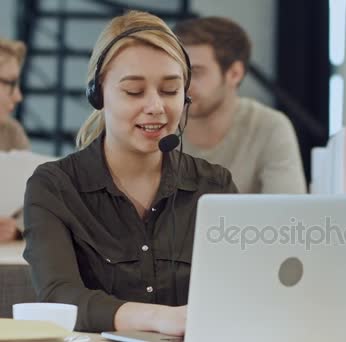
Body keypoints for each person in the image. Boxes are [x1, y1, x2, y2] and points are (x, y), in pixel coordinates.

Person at [22, 11, 237, 334]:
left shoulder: (214, 185)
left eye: (170, 90)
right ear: (98, 94)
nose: (156, 107)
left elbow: (240, 291)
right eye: (134, 92)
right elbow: (59, 298)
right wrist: (158, 317)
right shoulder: (54, 187)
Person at [173, 17, 307, 194]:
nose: (183, 84)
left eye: (196, 72)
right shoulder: (158, 121)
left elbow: (288, 213)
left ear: (234, 74)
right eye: (177, 71)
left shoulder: (269, 126)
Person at [0, 37, 30, 242]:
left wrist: (16, 229)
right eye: (11, 83)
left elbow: (34, 205)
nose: (18, 96)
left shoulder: (12, 133)